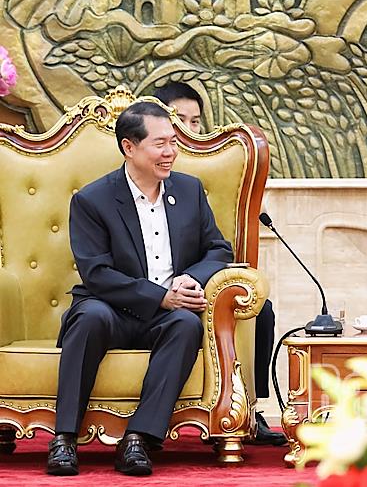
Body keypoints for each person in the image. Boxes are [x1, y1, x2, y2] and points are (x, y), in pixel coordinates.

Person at [49, 102, 233, 476]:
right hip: (110, 307)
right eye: (160, 144)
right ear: (129, 147)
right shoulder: (93, 199)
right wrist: (160, 296)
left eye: (173, 142)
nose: (171, 152)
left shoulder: (189, 190)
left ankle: (139, 439)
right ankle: (64, 438)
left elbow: (218, 249)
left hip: (166, 315)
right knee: (89, 317)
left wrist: (191, 277)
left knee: (187, 324)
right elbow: (96, 272)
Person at [154, 82, 286, 446]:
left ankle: (248, 408)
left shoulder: (199, 179)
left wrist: (192, 279)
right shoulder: (144, 173)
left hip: (200, 288)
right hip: (148, 290)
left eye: (195, 121)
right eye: (179, 120)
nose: (189, 130)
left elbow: (217, 248)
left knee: (261, 310)